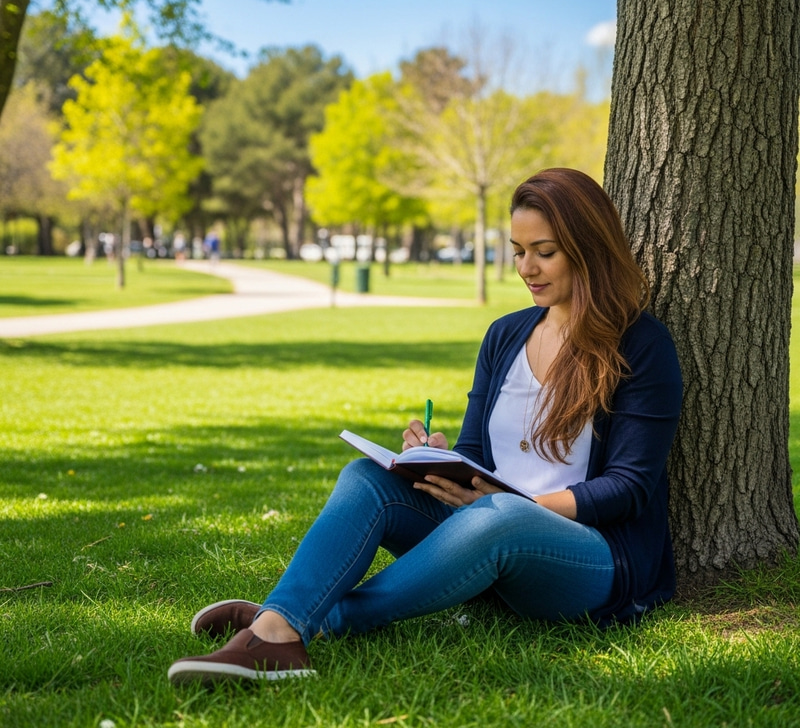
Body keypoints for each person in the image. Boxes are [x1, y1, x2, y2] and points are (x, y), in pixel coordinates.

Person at [168, 168, 683, 685]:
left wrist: (510, 506)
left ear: (588, 248)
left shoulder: (641, 345)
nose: (527, 267)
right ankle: (282, 623)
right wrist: (439, 459)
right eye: (517, 250)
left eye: (544, 252)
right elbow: (477, 450)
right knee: (367, 479)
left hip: (590, 559)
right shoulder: (505, 335)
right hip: (485, 526)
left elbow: (628, 488)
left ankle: (291, 624)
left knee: (500, 515)